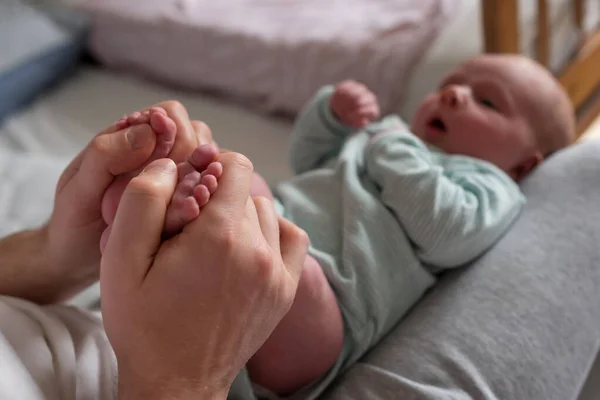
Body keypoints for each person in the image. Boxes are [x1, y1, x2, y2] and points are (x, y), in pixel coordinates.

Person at [105, 54, 571, 399]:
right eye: (453, 83)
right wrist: (332, 115)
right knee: (244, 180)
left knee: (279, 243)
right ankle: (161, 211)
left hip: (329, 311)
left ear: (523, 164)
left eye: (487, 101)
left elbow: (444, 229)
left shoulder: (487, 183)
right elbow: (310, 159)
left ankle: (161, 205)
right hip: (263, 246)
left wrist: (390, 144)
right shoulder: (380, 141)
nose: (455, 94)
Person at [0, 101, 309, 399]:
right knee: (310, 315)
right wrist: (181, 379)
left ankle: (156, 228)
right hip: (186, 365)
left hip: (110, 329)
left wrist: (50, 259)